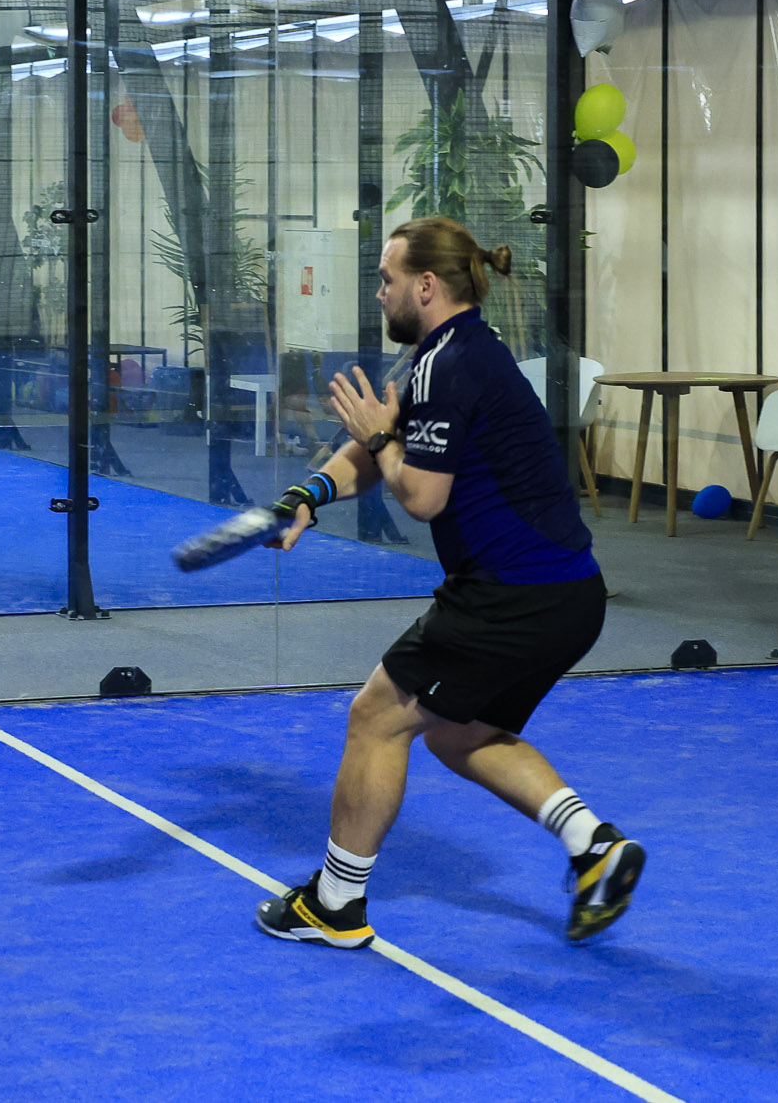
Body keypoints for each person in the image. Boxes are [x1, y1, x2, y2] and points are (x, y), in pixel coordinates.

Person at [255, 216, 640, 948]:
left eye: (386, 279)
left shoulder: (449, 365)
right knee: (458, 732)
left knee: (377, 716)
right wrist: (308, 493)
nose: (379, 294)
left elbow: (419, 492)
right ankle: (594, 844)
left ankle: (334, 904)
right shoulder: (451, 353)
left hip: (510, 593)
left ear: (425, 285)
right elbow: (381, 444)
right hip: (567, 595)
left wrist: (375, 435)